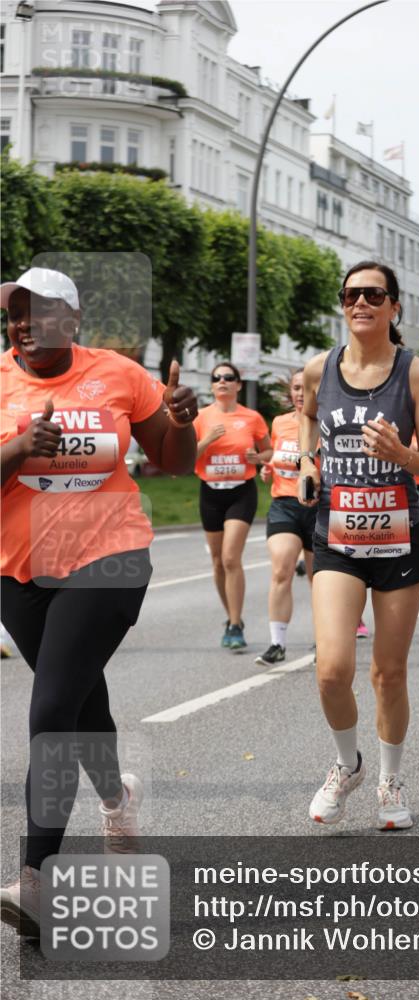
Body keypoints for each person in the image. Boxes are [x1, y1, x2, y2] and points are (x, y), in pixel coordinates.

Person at [0, 267, 197, 935]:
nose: (26, 323)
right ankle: (117, 796)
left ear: (74, 320)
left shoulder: (116, 373)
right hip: (17, 569)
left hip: (108, 558)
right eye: (16, 312)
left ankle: (34, 879)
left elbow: (170, 461)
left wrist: (181, 423)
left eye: (41, 311)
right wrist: (21, 447)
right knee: (80, 698)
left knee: (52, 705)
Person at [298, 260, 419, 830]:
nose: (361, 303)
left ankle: (389, 778)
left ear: (394, 306)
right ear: (343, 304)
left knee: (388, 671)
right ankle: (346, 764)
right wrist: (309, 463)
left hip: (400, 536)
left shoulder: (416, 373)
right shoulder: (318, 368)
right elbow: (308, 421)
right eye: (352, 294)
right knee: (332, 668)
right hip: (337, 535)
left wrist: (402, 455)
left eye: (374, 294)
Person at [194, 362, 272, 652]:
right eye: (217, 378)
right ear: (212, 386)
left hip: (241, 491)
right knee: (217, 562)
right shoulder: (201, 418)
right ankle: (231, 617)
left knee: (229, 558)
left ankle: (236, 625)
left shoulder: (251, 417)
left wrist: (258, 458)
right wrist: (208, 440)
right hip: (210, 492)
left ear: (238, 385)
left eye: (229, 378)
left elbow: (269, 451)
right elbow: (187, 456)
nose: (222, 382)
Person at [256, 369, 317, 665]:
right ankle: (277, 643)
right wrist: (268, 469)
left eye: (306, 387)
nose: (300, 393)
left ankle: (325, 640)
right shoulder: (279, 422)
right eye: (295, 388)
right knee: (282, 568)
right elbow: (275, 456)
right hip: (284, 504)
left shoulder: (326, 422)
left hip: (320, 506)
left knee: (320, 579)